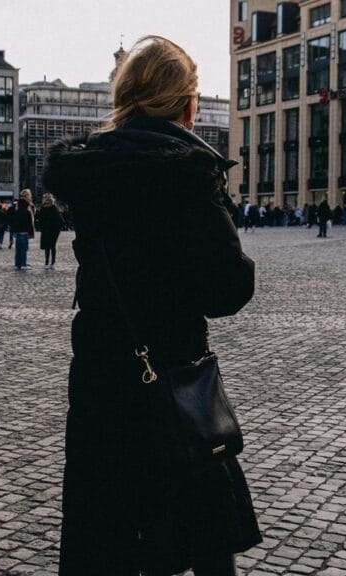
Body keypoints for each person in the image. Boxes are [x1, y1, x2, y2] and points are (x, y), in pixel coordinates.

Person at [43, 35, 261, 576]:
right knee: (203, 533)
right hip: (172, 375)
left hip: (100, 375)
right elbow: (226, 290)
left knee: (106, 528)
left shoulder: (90, 172)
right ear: (188, 103)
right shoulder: (186, 173)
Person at [12, 189, 36, 270]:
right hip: (25, 232)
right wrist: (31, 233)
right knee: (24, 249)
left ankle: (17, 264)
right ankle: (23, 264)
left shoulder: (17, 209)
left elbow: (14, 221)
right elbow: (30, 223)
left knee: (18, 249)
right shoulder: (28, 210)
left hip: (18, 231)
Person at [38, 193, 63, 269]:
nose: (46, 200)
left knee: (50, 246)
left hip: (52, 230)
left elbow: (59, 220)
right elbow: (40, 218)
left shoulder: (53, 208)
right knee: (48, 246)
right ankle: (49, 262)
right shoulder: (45, 208)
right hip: (47, 229)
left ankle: (50, 262)